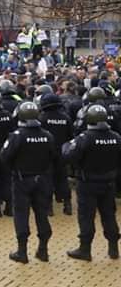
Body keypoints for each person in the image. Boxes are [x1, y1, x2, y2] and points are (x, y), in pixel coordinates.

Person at [62, 105, 121, 261]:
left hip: (87, 183)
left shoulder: (85, 137)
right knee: (109, 215)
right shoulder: (115, 137)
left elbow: (69, 156)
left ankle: (85, 249)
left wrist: (66, 145)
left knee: (86, 217)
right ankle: (113, 248)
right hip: (108, 182)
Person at [0, 102, 56, 263]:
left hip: (22, 180)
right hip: (43, 179)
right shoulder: (47, 135)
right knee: (42, 214)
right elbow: (54, 156)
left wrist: (14, 169)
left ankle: (22, 252)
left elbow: (4, 157)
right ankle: (43, 250)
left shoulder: (17, 135)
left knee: (21, 215)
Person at [38, 92, 74, 216]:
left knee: (47, 179)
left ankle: (49, 207)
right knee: (62, 178)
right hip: (62, 153)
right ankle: (67, 204)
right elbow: (71, 137)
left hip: (46, 154)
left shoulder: (41, 118)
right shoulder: (66, 118)